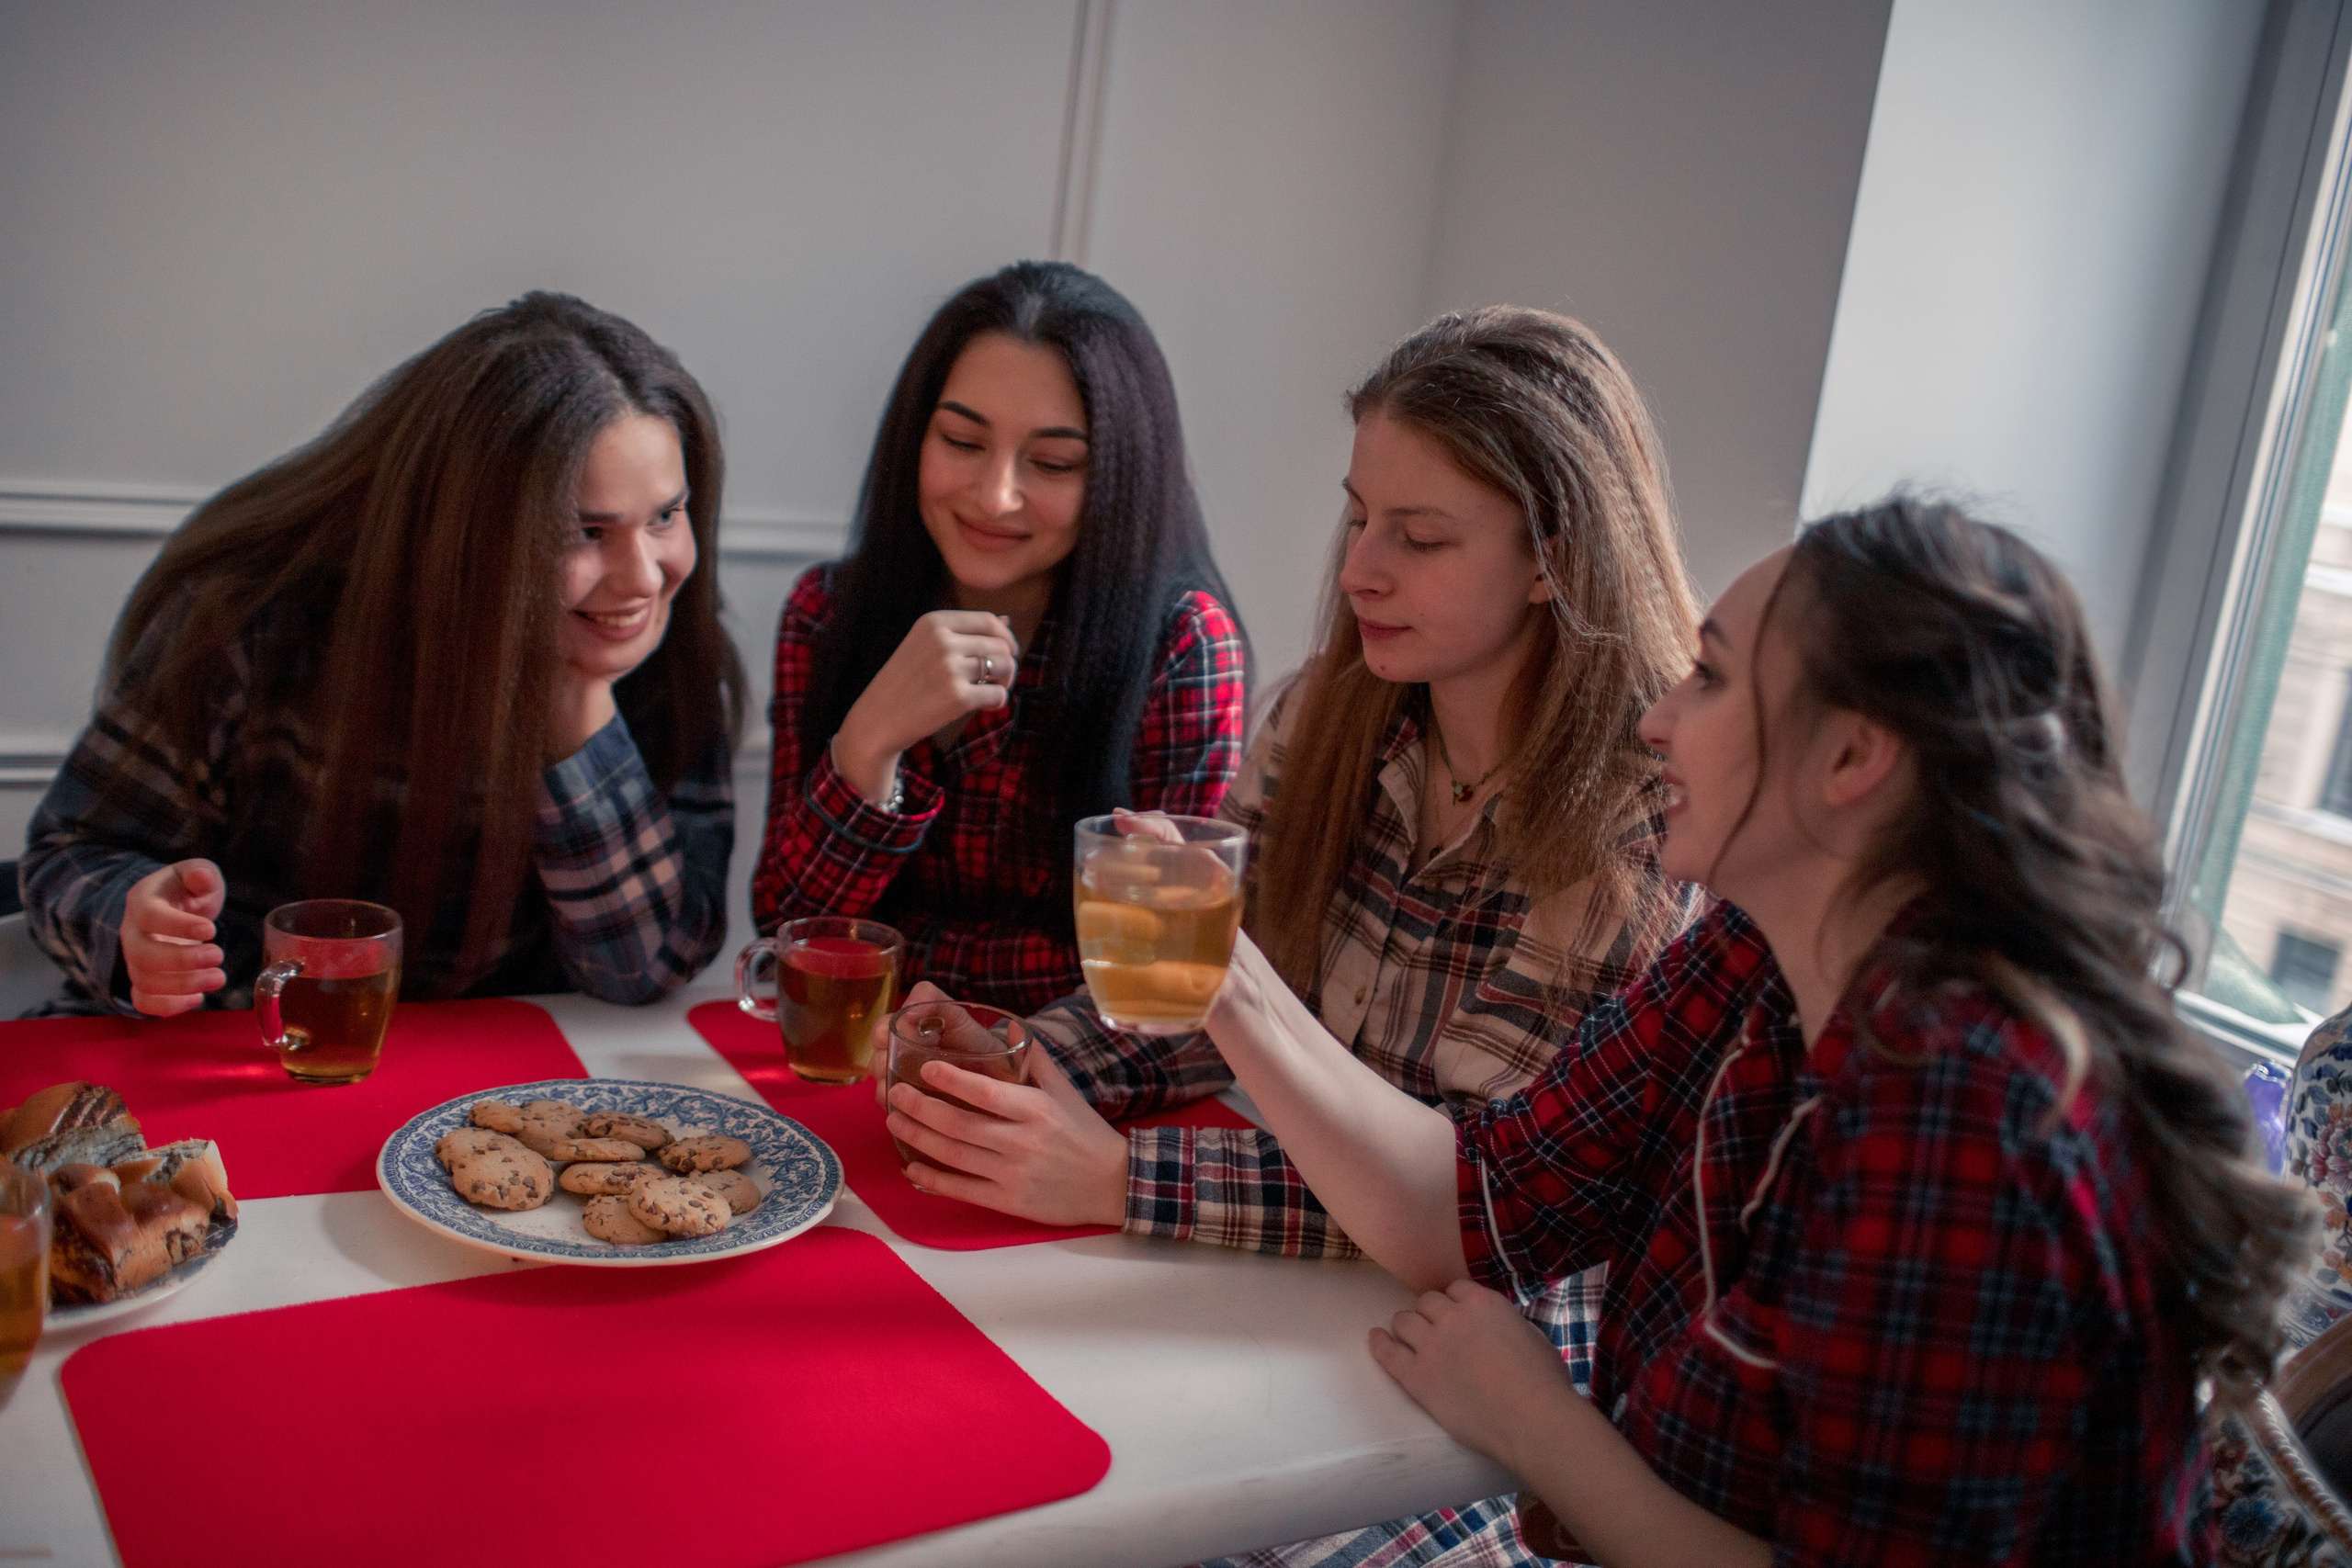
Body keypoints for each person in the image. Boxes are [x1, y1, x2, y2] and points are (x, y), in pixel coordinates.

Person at [1171, 499, 2316, 1564]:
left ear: (1853, 759)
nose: (1659, 720)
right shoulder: (1755, 958)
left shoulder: (1968, 1115)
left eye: (1710, 680)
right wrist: (1224, 976)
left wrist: (1535, 1423)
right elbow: (1472, 1203)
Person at [882, 307, 1705, 1563]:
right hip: (1290, 1294)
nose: (1359, 568)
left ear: (1554, 554)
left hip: (1502, 1370)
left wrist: (1121, 1178)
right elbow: (1187, 1008)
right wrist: (1017, 1056)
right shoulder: (1332, 712)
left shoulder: (1642, 815)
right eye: (1359, 514)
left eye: (1419, 537)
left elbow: (1481, 1211)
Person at [21, 292, 741, 1016]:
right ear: (463, 529)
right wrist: (136, 924)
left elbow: (643, 969)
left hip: (482, 1090)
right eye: (587, 531)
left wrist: (577, 700)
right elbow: (71, 851)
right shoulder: (255, 623)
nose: (647, 576)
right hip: (239, 1047)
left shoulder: (669, 664)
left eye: (665, 516)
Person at [752, 260, 1248, 1016]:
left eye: (1052, 462)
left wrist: (902, 948)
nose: (995, 495)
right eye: (961, 440)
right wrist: (869, 742)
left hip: (1067, 1086)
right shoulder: (827, 610)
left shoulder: (1182, 645)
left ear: (1118, 477)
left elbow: (1163, 980)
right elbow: (789, 934)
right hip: (865, 1059)